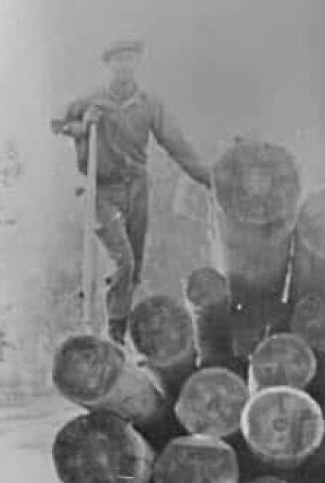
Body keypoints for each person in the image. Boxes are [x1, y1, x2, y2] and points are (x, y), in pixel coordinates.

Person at [53, 39, 212, 345]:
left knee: (133, 268)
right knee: (122, 261)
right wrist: (82, 126)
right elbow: (56, 122)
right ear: (108, 64)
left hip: (137, 189)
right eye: (118, 60)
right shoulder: (92, 100)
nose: (124, 65)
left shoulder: (149, 104)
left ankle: (118, 333)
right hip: (101, 190)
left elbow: (177, 145)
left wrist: (208, 179)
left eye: (130, 59)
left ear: (137, 63)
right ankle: (112, 337)